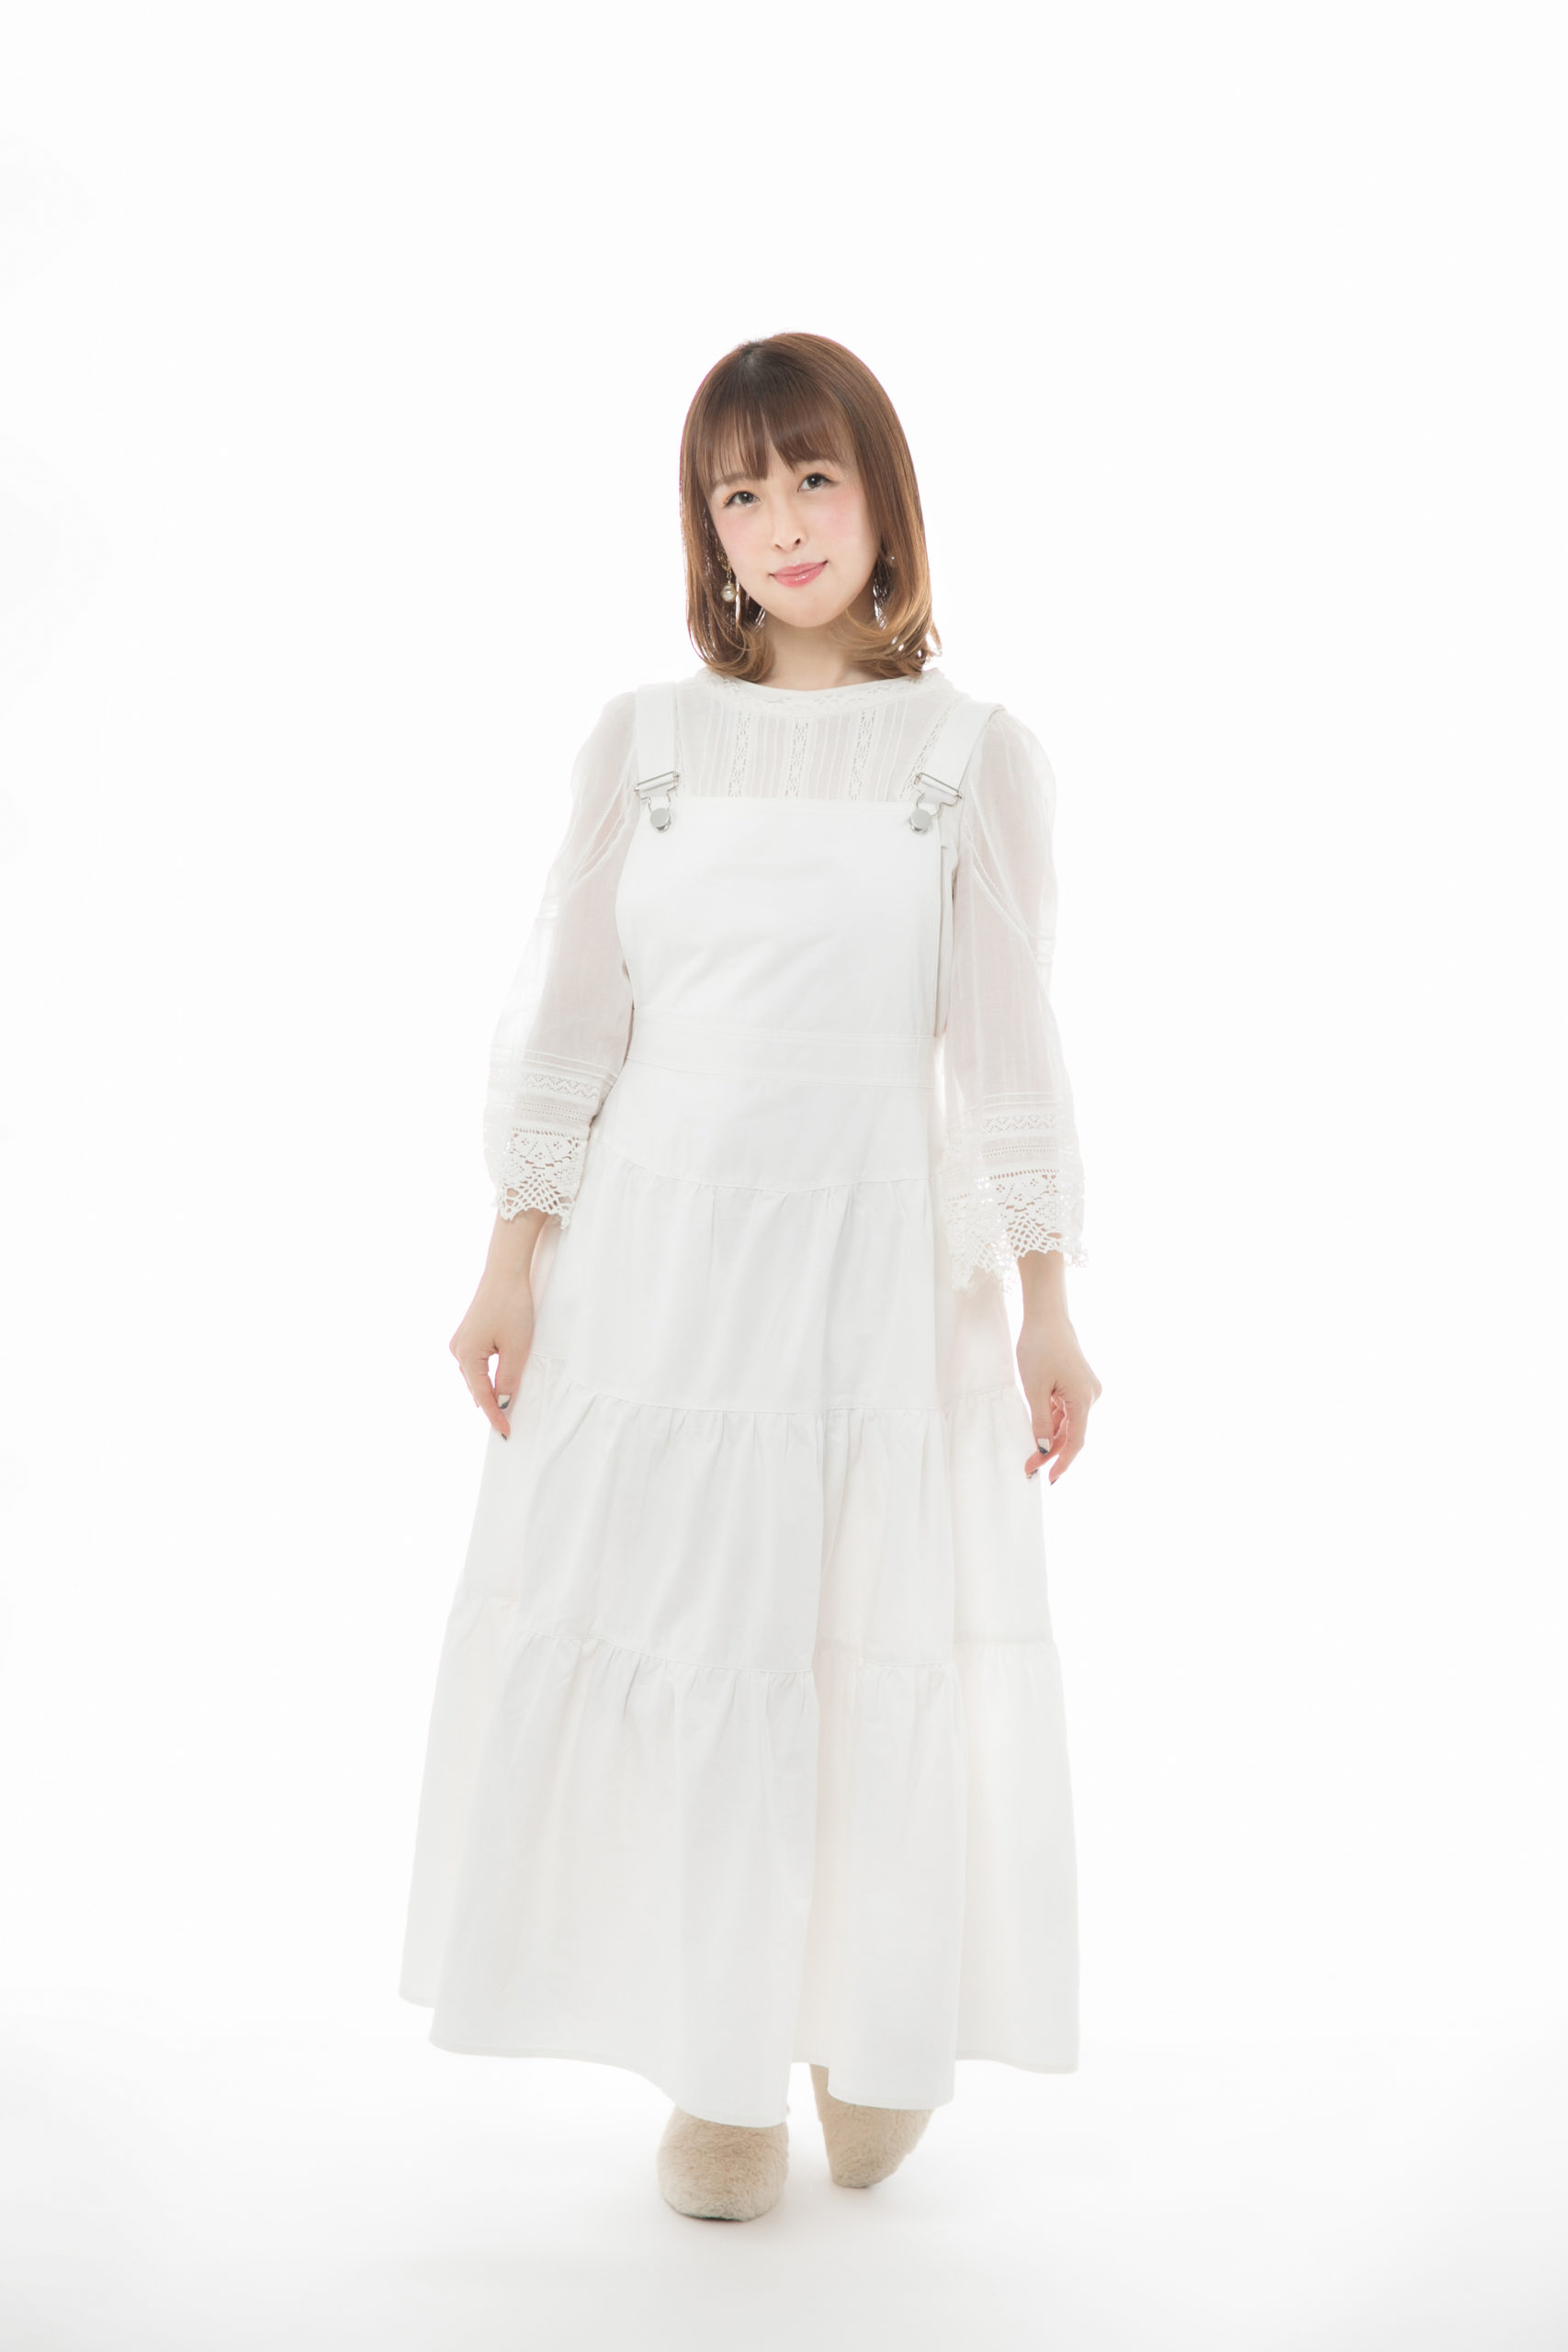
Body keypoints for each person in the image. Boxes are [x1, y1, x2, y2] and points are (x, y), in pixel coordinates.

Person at [400, 332, 1102, 2222]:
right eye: (739, 490)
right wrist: (510, 1257)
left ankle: (860, 2034)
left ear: (881, 498)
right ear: (703, 529)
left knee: (855, 1643)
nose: (780, 522)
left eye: (811, 477)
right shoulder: (643, 743)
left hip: (870, 1268)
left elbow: (1007, 1044)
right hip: (662, 1270)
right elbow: (575, 1015)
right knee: (698, 1637)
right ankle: (719, 2070)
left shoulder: (964, 756)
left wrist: (1046, 1298)